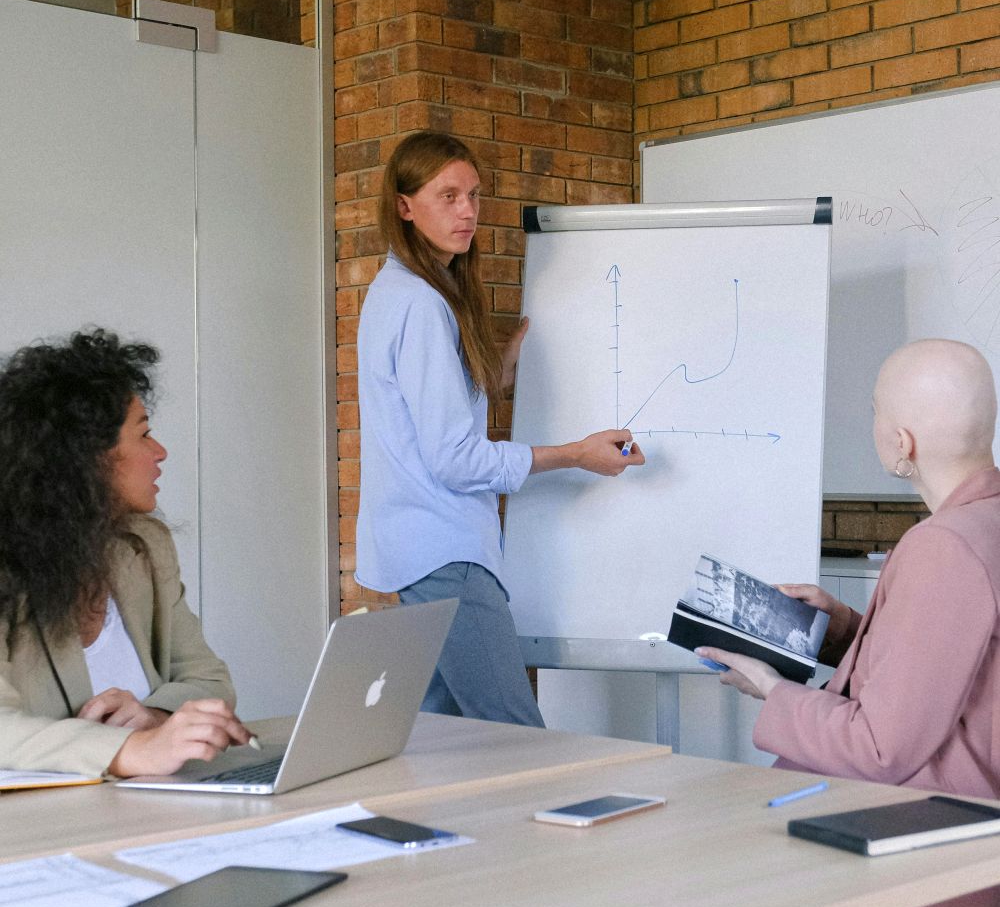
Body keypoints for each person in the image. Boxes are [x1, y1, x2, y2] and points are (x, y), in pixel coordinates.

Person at [356, 131, 645, 727]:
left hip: (419, 554)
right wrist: (576, 454)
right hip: (447, 554)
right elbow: (454, 460)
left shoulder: (396, 292)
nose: (467, 212)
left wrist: (495, 375)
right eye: (448, 196)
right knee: (519, 738)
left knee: (441, 742)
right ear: (405, 206)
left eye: (474, 196)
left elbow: (420, 422)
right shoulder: (421, 304)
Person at [697, 338, 1000, 799]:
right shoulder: (984, 522)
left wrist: (771, 687)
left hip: (926, 818)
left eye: (876, 410)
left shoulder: (944, 545)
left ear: (903, 442)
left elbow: (881, 748)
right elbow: (957, 666)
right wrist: (842, 630)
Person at [0, 329, 252, 779]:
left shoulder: (145, 547)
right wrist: (133, 750)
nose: (160, 452)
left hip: (149, 807)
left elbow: (211, 681)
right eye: (144, 435)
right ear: (84, 457)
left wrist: (155, 718)